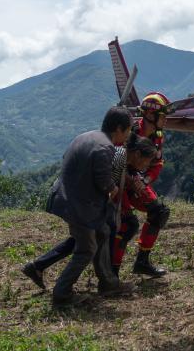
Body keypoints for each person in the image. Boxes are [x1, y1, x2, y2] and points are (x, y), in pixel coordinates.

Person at [22, 133, 157, 295]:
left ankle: (38, 266)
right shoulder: (120, 156)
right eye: (148, 161)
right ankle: (96, 284)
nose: (147, 165)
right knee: (95, 239)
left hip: (87, 203)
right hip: (88, 204)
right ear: (137, 154)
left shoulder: (123, 158)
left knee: (86, 239)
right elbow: (106, 183)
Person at [26, 106, 133, 308]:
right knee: (86, 249)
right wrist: (113, 188)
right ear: (119, 128)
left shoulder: (86, 136)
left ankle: (109, 283)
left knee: (102, 231)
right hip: (77, 206)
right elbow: (103, 179)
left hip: (64, 198)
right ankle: (62, 294)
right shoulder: (106, 147)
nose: (127, 136)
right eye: (128, 130)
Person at [112, 92, 173, 278]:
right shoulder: (129, 133)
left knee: (159, 212)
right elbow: (117, 164)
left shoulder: (157, 136)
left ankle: (142, 262)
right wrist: (133, 180)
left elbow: (157, 163)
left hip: (139, 182)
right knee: (127, 223)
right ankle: (112, 271)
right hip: (119, 182)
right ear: (150, 115)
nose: (165, 120)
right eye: (163, 116)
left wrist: (145, 181)